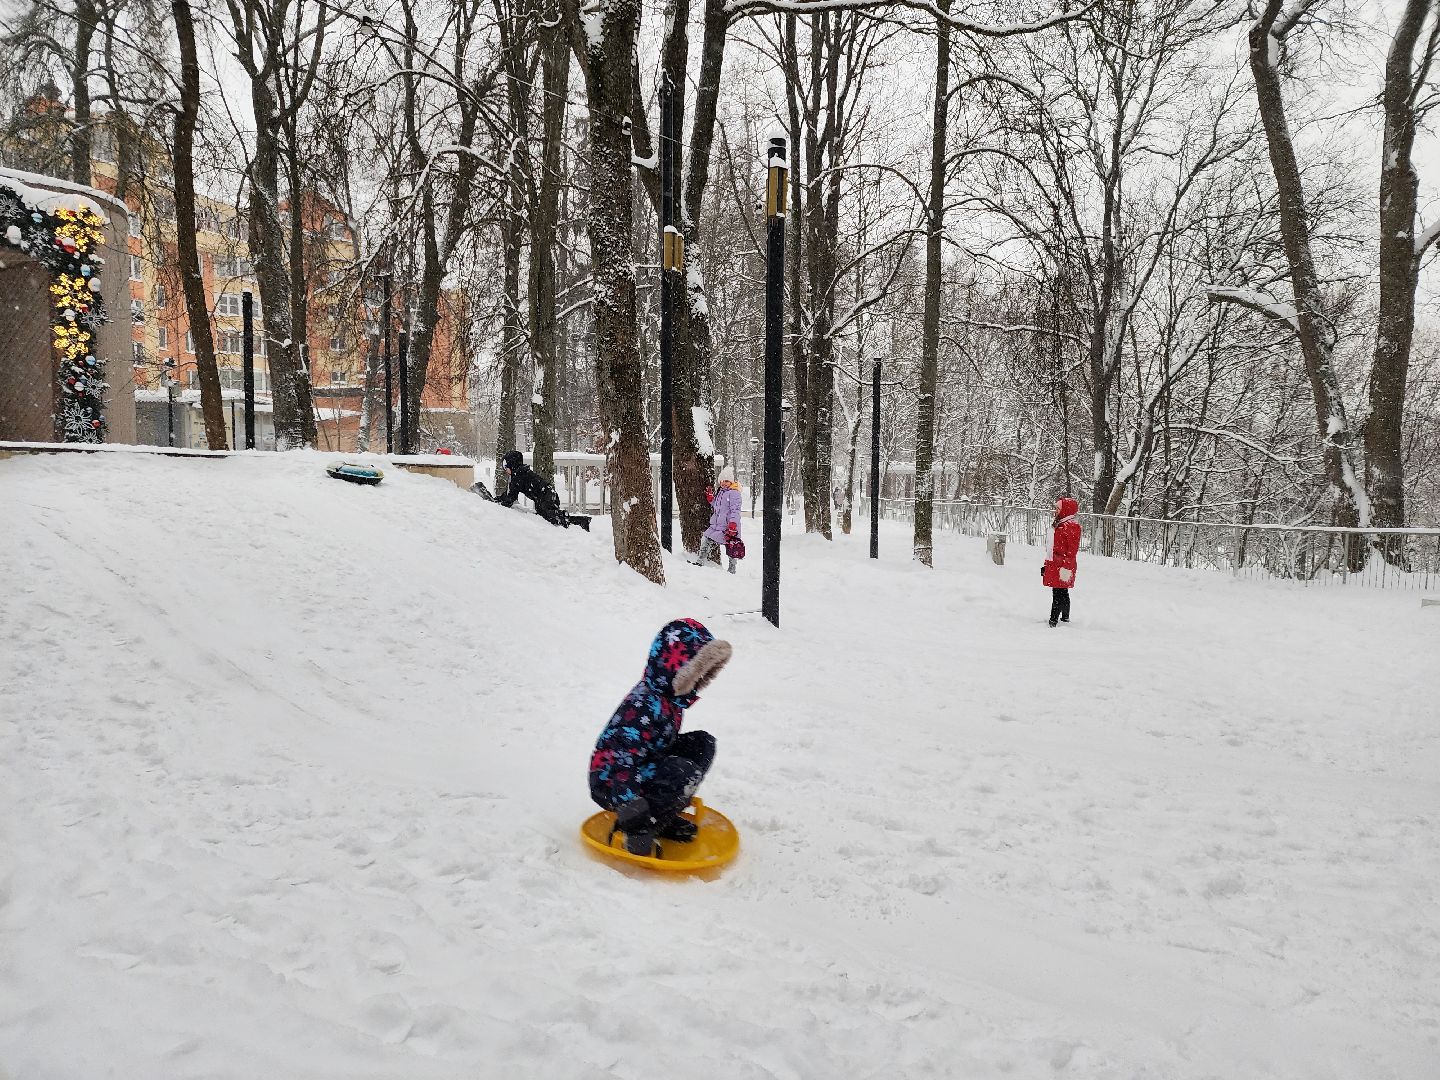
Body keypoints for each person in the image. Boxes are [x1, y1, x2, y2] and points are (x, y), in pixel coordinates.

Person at [589, 618, 732, 856]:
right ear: (676, 668)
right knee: (681, 770)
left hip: (642, 765)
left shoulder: (669, 699)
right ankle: (642, 826)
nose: (698, 681)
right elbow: (618, 756)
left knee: (701, 744)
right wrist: (630, 808)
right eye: (695, 672)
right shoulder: (643, 704)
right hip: (612, 780)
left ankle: (660, 816)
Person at [496, 449, 569, 527]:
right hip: (547, 493)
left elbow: (511, 498)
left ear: (512, 464)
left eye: (505, 467)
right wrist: (500, 498)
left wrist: (499, 502)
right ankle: (562, 518)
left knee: (548, 516)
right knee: (544, 515)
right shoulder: (521, 472)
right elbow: (510, 493)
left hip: (546, 495)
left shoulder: (517, 476)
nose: (505, 470)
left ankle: (563, 517)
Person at [691, 466, 742, 572]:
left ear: (731, 482)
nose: (724, 483)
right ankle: (700, 561)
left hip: (728, 527)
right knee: (706, 538)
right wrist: (711, 499)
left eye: (727, 481)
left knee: (731, 547)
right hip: (717, 525)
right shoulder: (721, 492)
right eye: (722, 481)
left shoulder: (734, 493)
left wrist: (733, 525)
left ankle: (732, 569)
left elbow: (735, 510)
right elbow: (718, 506)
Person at [1042, 496, 1082, 626]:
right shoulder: (1060, 524)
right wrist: (1046, 565)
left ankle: (1053, 620)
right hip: (1055, 563)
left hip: (1063, 565)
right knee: (1062, 591)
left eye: (1058, 508)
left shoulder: (1070, 526)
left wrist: (1066, 568)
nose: (1055, 510)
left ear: (1066, 510)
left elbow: (1072, 550)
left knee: (1058, 592)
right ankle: (1065, 618)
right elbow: (1051, 547)